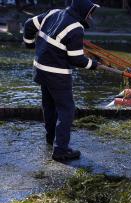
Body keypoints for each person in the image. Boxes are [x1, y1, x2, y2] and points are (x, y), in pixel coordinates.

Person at [23, 0, 104, 161]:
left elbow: (28, 24)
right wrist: (94, 65)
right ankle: (61, 150)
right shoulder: (76, 28)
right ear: (83, 11)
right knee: (66, 110)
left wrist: (29, 43)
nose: (91, 17)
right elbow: (76, 60)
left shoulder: (54, 12)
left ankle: (50, 138)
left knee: (49, 105)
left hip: (40, 69)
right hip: (57, 75)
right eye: (90, 14)